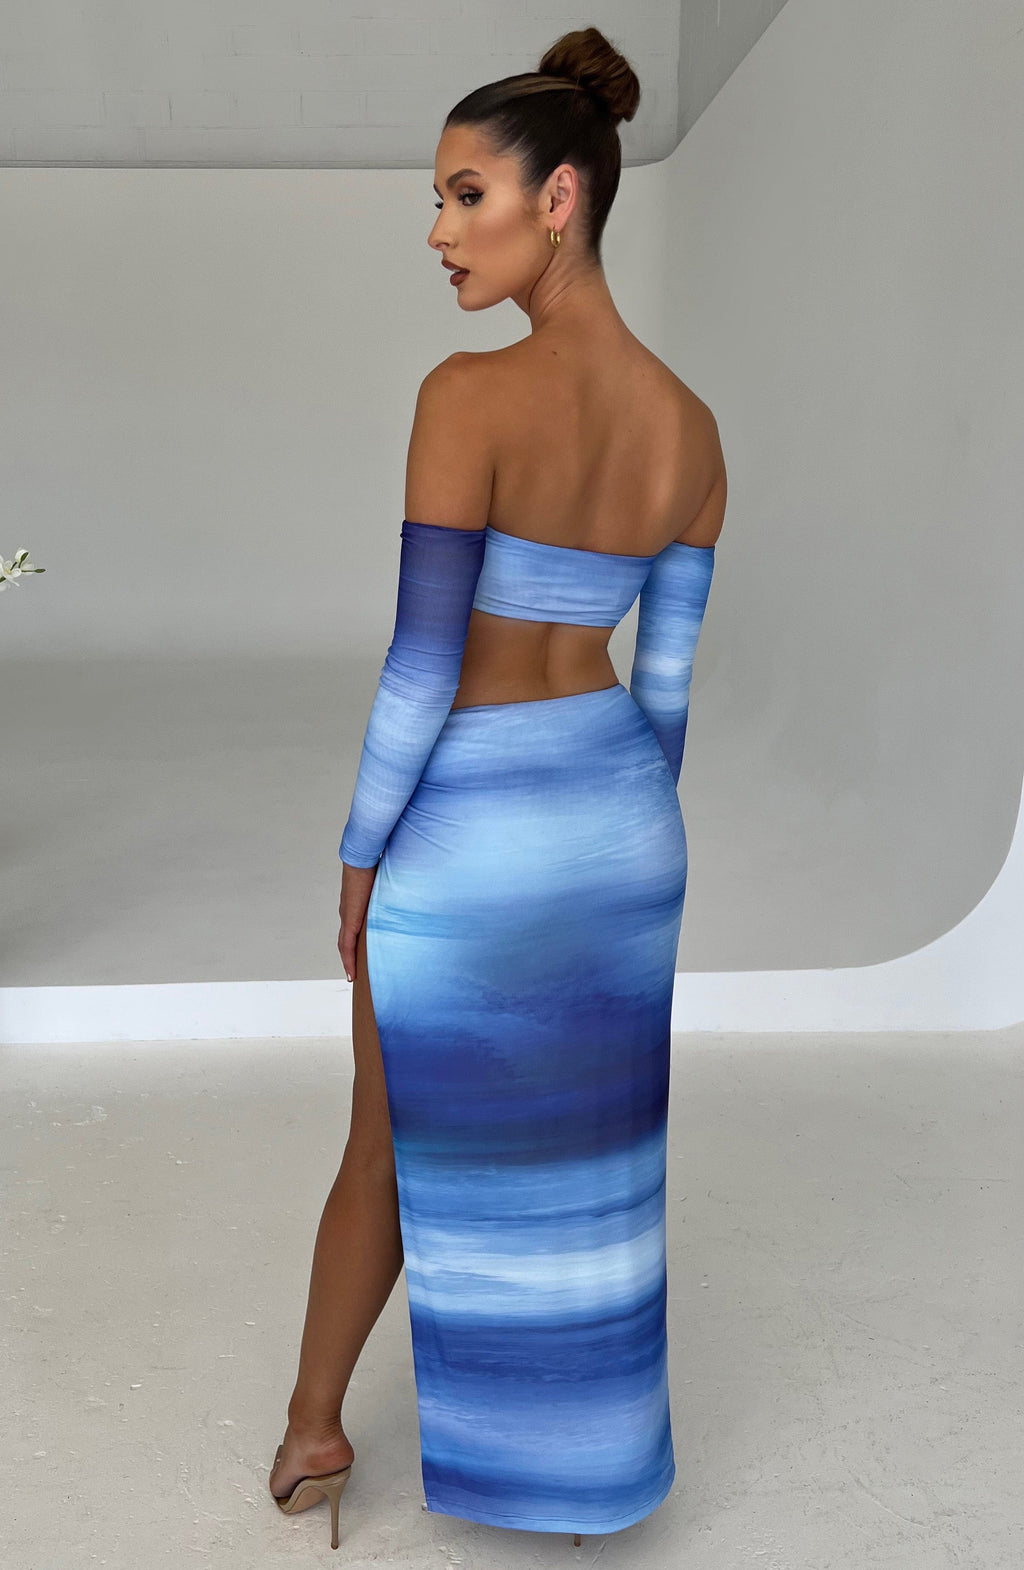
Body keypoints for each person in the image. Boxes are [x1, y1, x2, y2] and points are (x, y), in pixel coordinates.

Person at [268, 25, 726, 1551]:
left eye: (467, 195)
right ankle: (589, 1472)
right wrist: (618, 851)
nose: (440, 231)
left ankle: (315, 1430)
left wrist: (361, 852)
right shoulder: (692, 432)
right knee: (597, 1160)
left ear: (562, 198)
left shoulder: (467, 396)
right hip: (619, 823)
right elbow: (667, 698)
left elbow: (422, 667)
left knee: (389, 1138)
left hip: (471, 820)